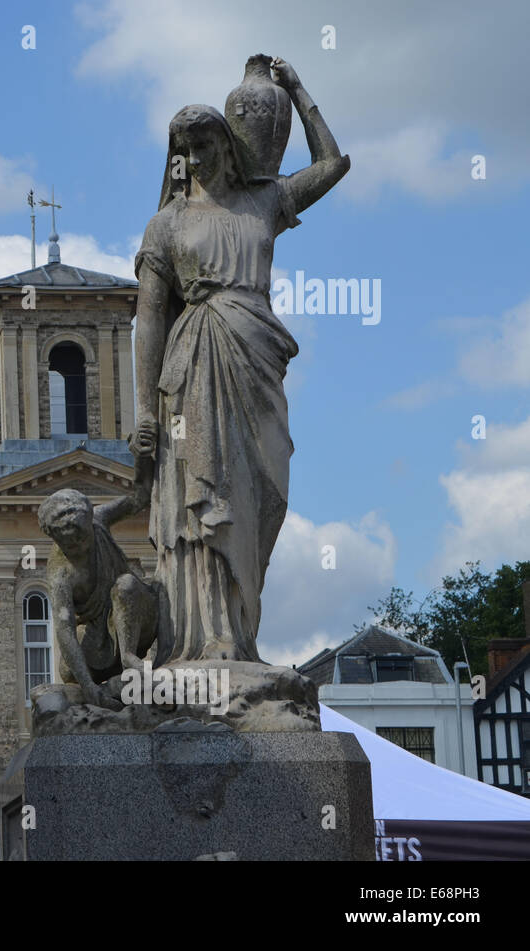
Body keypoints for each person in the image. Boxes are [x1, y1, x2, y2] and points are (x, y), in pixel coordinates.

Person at [132, 57, 349, 664]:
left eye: (205, 145)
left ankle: (242, 633)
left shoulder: (264, 203)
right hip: (195, 362)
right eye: (186, 150)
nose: (196, 159)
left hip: (256, 357)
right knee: (204, 499)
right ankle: (205, 641)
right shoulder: (166, 224)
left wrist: (300, 91)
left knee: (264, 495)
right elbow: (149, 318)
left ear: (227, 145)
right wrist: (144, 409)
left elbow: (334, 164)